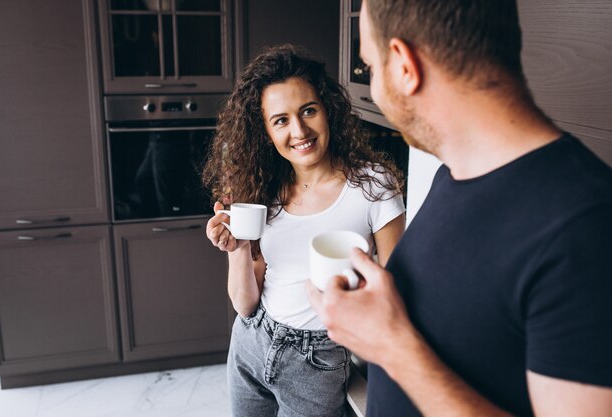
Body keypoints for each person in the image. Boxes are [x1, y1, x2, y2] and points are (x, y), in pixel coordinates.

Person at [307, 1, 612, 416]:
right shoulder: (453, 175)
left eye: (371, 68)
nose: (374, 89)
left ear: (404, 66)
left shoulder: (586, 226)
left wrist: (392, 346)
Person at [202, 44, 406, 417]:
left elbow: (398, 290)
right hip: (251, 342)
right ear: (264, 130)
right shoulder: (261, 189)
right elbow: (245, 305)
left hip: (320, 357)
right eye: (280, 120)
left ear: (328, 110)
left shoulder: (373, 185)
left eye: (308, 111)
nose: (299, 130)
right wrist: (238, 249)